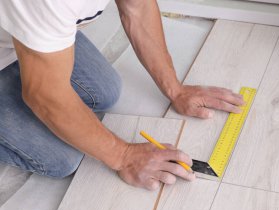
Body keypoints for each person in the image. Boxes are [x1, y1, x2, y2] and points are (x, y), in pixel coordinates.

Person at [0, 0, 244, 190]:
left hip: (18, 35)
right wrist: (124, 156)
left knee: (105, 91)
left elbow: (137, 8)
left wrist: (175, 89)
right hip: (27, 24)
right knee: (61, 159)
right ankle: (36, 59)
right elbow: (45, 95)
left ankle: (36, 56)